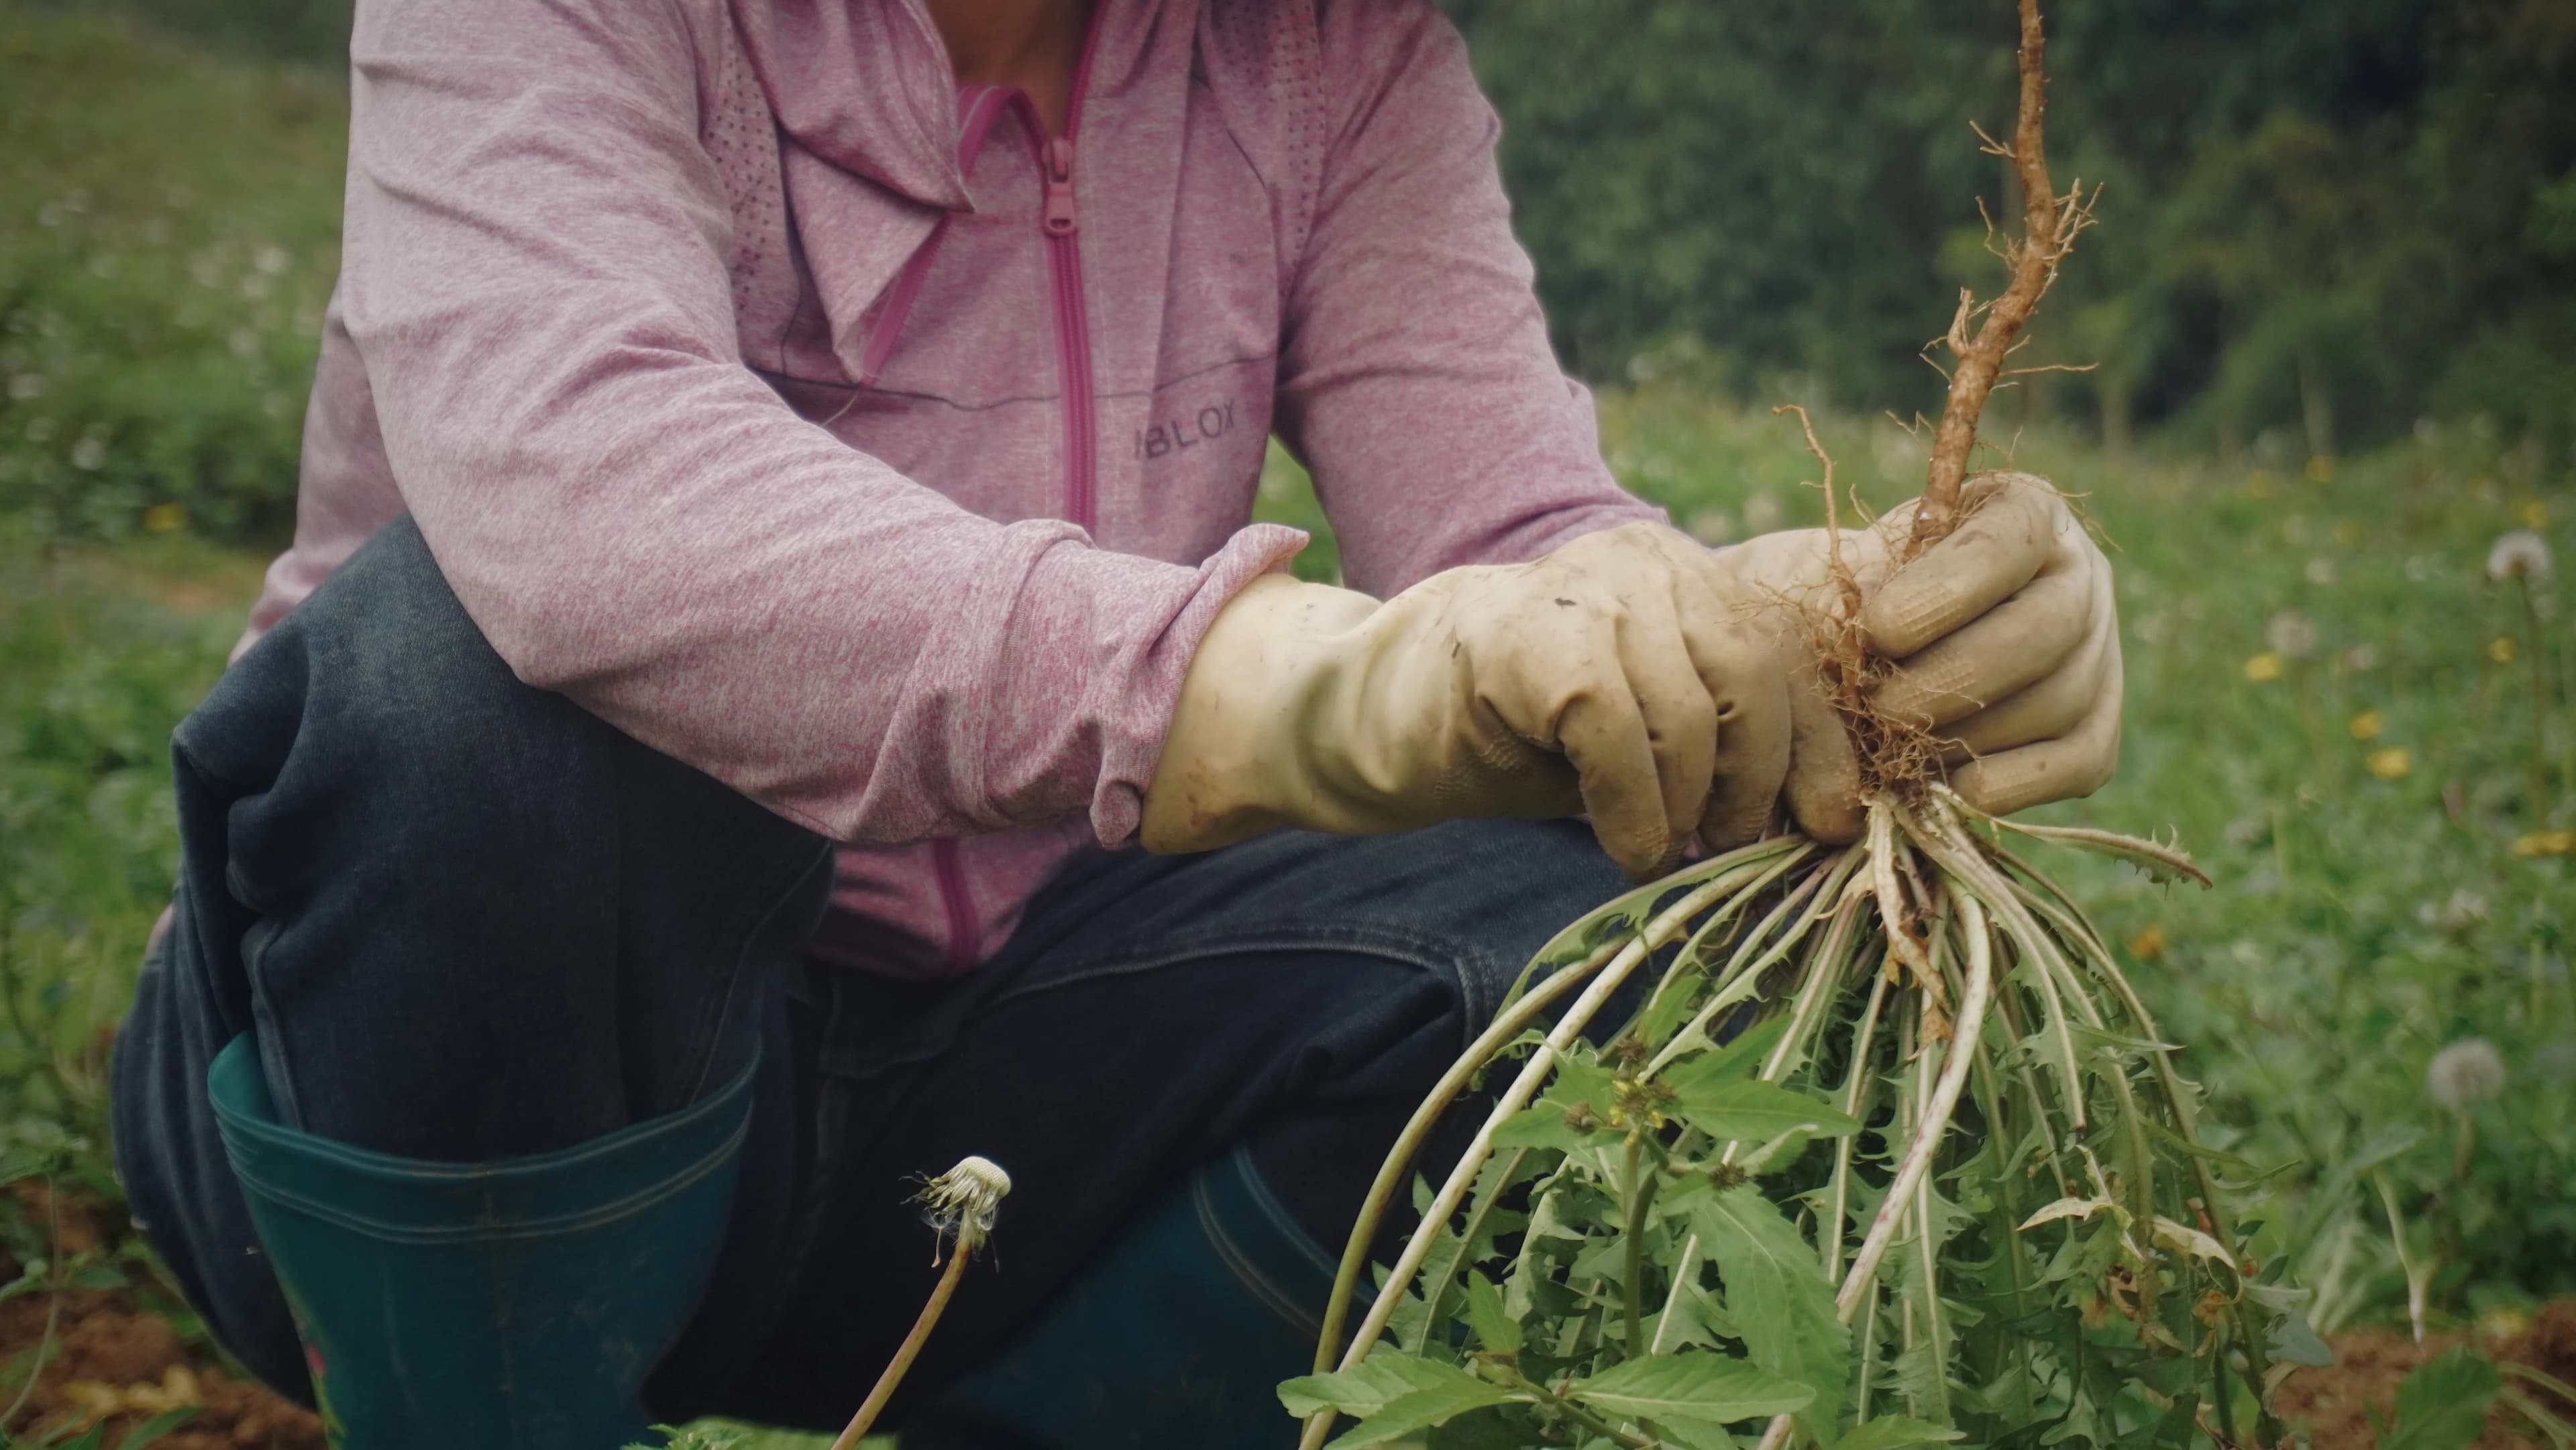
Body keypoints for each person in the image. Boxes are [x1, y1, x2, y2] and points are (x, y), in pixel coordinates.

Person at [109, 0, 2122, 1444]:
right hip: (459, 1077)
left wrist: (1794, 630)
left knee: (1609, 905)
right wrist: (1266, 684)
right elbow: (587, 492)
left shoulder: (1328, 52)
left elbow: (1518, 533)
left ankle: (1052, 1410)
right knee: (465, 682)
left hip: (1007, 1114)